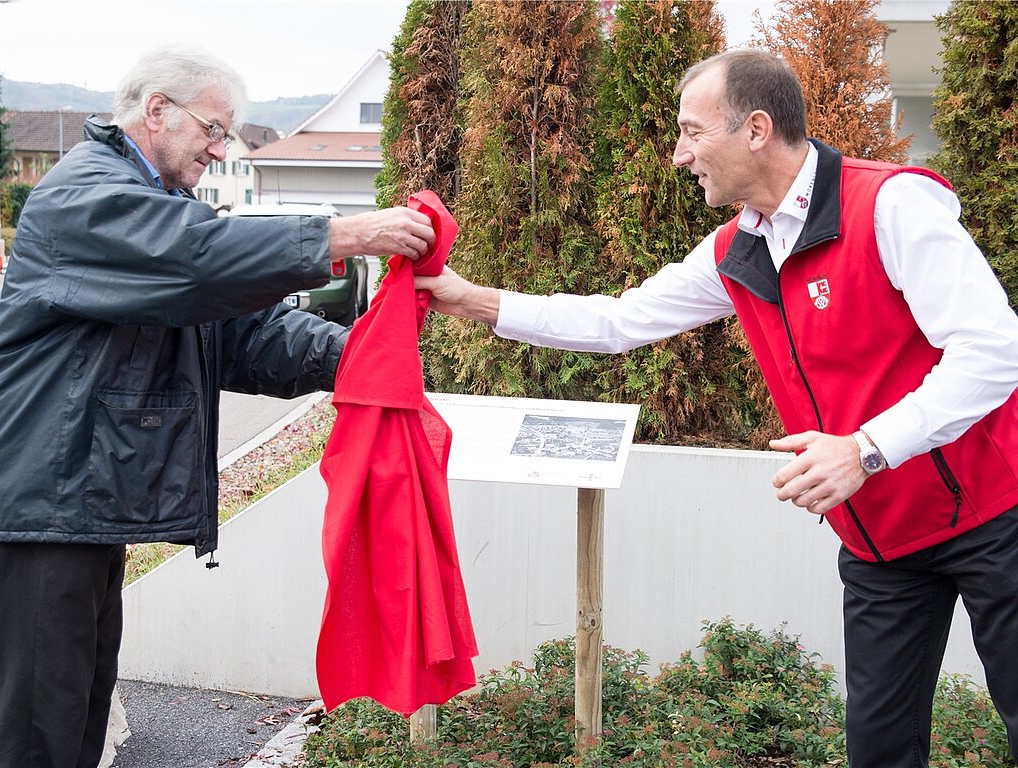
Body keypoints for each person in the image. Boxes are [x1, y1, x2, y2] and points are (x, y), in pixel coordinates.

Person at [415, 49, 1018, 767]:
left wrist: (863, 448)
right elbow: (618, 323)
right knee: (880, 753)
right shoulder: (737, 249)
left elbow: (993, 351)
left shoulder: (890, 206)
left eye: (692, 133)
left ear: (756, 128)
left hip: (996, 516)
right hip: (881, 545)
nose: (678, 155)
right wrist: (472, 300)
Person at [0, 46, 433, 768]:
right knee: (36, 735)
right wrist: (343, 234)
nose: (222, 147)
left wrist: (366, 353)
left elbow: (241, 334)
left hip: (82, 507)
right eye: (215, 127)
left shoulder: (158, 206)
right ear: (157, 109)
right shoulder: (84, 196)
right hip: (45, 508)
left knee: (73, 724)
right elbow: (193, 253)